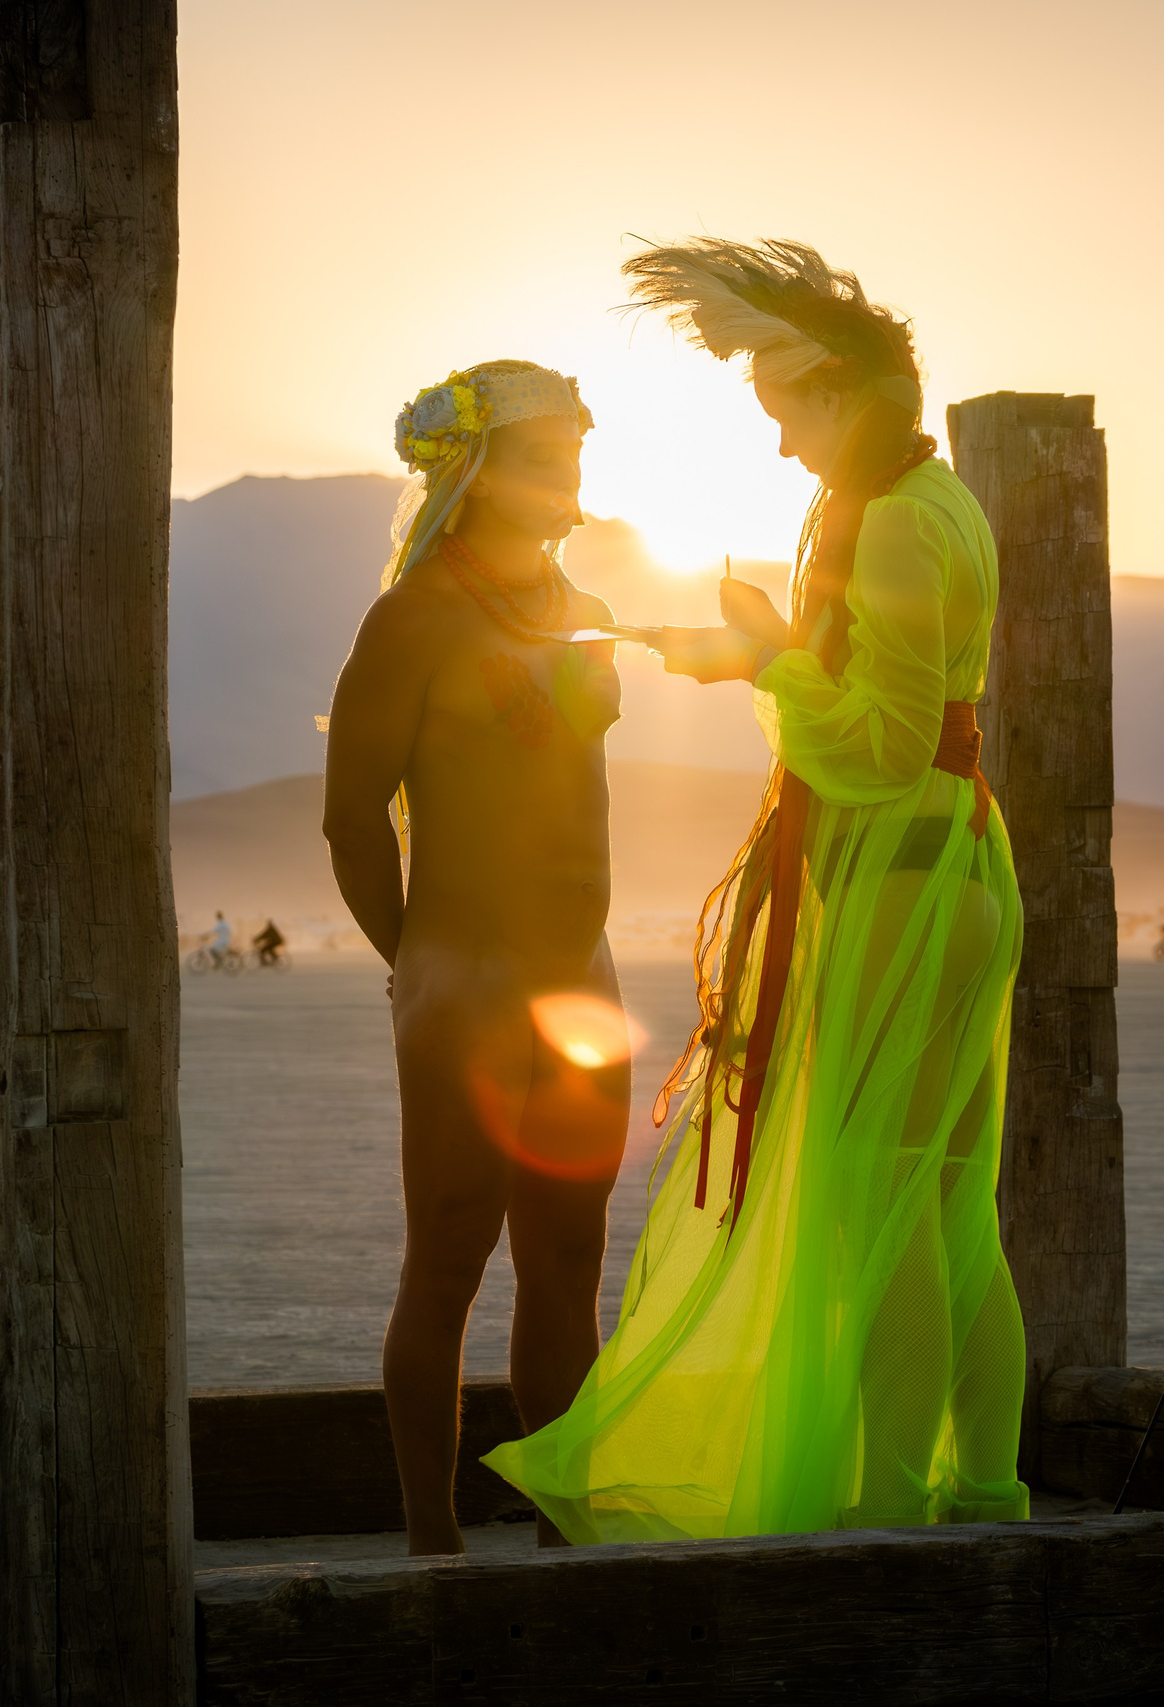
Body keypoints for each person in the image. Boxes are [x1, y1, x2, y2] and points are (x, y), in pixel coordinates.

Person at [485, 239, 1026, 1543]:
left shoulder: (892, 524)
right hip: (958, 865)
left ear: (840, 392)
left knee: (878, 1199)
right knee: (949, 1196)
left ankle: (896, 1497)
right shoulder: (941, 501)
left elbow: (881, 749)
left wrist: (769, 665)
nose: (784, 448)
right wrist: (768, 650)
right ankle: (989, 1478)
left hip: (898, 877)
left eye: (786, 416)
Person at [322, 359, 624, 1555]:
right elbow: (352, 821)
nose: (570, 478)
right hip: (464, 980)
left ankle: (560, 1523)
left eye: (576, 455)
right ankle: (433, 1541)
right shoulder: (412, 620)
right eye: (545, 457)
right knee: (448, 1254)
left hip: (582, 976)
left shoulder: (572, 603)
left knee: (568, 1259)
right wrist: (418, 963)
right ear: (475, 471)